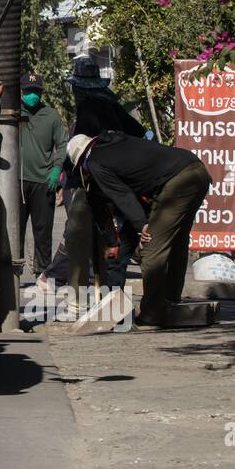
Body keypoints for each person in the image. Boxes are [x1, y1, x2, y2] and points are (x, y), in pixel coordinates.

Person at [66, 131, 212, 327]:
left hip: (176, 182)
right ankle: (170, 302)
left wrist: (141, 224)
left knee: (152, 249)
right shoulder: (115, 143)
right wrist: (112, 241)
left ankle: (152, 312)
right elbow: (105, 204)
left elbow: (122, 194)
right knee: (177, 242)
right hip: (197, 170)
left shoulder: (95, 162)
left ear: (81, 160)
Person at [42, 55, 148, 293]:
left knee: (79, 229)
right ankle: (100, 286)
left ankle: (61, 279)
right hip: (111, 176)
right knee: (102, 232)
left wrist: (66, 179)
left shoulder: (88, 109)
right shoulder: (112, 106)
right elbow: (139, 132)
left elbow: (78, 152)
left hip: (91, 179)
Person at [15, 73, 67, 276]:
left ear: (41, 92)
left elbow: (62, 144)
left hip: (44, 181)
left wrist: (57, 169)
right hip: (17, 182)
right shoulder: (13, 112)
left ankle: (43, 272)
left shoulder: (52, 115)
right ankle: (14, 270)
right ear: (22, 91)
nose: (32, 95)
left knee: (43, 231)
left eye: (36, 91)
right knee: (15, 230)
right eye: (29, 91)